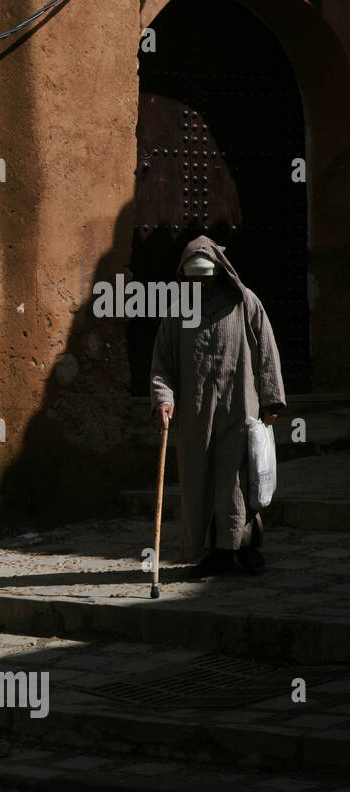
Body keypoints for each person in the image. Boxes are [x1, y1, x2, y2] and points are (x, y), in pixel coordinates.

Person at [149, 235, 286, 578]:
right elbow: (162, 363)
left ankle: (244, 546)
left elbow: (267, 350)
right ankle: (215, 552)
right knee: (201, 478)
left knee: (238, 477)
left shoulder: (245, 303)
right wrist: (163, 399)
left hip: (239, 407)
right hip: (195, 414)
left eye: (206, 276)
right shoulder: (177, 311)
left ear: (220, 273)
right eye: (195, 277)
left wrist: (271, 398)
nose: (201, 282)